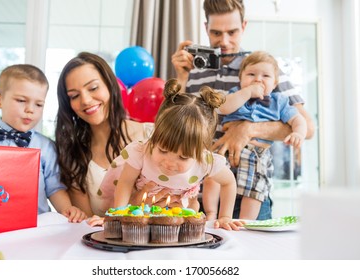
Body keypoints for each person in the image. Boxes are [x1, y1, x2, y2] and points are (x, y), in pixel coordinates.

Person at [171, 0, 315, 219]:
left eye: (232, 32)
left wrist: (248, 130)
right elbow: (172, 126)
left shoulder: (263, 69)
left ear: (244, 26)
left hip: (251, 191)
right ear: (205, 28)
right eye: (216, 33)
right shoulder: (196, 70)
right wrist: (182, 77)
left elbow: (308, 128)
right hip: (200, 192)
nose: (225, 41)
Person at [90, 78, 243, 230]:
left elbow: (228, 182)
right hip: (140, 218)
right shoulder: (141, 153)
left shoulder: (205, 161)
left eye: (183, 157)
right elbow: (125, 182)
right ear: (155, 134)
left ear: (200, 150)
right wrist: (119, 214)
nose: (169, 162)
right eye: (162, 150)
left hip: (177, 223)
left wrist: (225, 217)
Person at [55, 52, 169, 218]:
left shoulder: (152, 135)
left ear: (110, 85)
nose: (85, 100)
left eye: (93, 88)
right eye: (74, 95)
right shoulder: (74, 155)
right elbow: (86, 224)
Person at [0, 64, 86, 223]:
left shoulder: (46, 147)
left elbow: (55, 188)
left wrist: (66, 209)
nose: (30, 109)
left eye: (39, 104)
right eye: (21, 100)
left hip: (33, 228)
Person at [203, 51, 307, 220]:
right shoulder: (236, 93)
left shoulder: (278, 101)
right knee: (213, 176)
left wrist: (298, 133)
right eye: (251, 74)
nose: (258, 79)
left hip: (257, 154)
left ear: (275, 83)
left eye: (265, 76)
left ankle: (246, 223)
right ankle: (212, 214)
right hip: (226, 149)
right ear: (241, 78)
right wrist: (247, 92)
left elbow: (298, 120)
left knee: (254, 189)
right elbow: (223, 108)